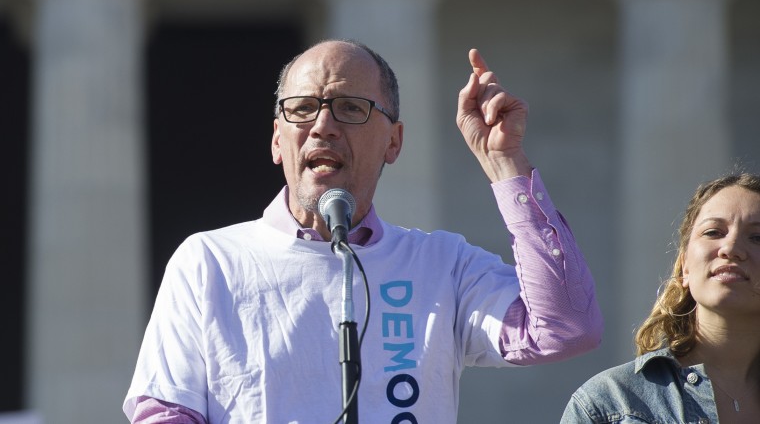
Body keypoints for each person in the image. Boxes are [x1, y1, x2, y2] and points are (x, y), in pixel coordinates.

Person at [123, 39, 602, 423]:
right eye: (303, 108)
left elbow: (566, 329)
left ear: (393, 141)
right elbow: (165, 411)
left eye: (351, 108)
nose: (323, 126)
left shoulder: (442, 265)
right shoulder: (209, 260)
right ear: (276, 139)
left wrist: (505, 165)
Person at [561, 173, 760, 423]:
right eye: (713, 232)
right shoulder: (610, 402)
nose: (730, 249)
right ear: (684, 265)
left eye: (757, 238)